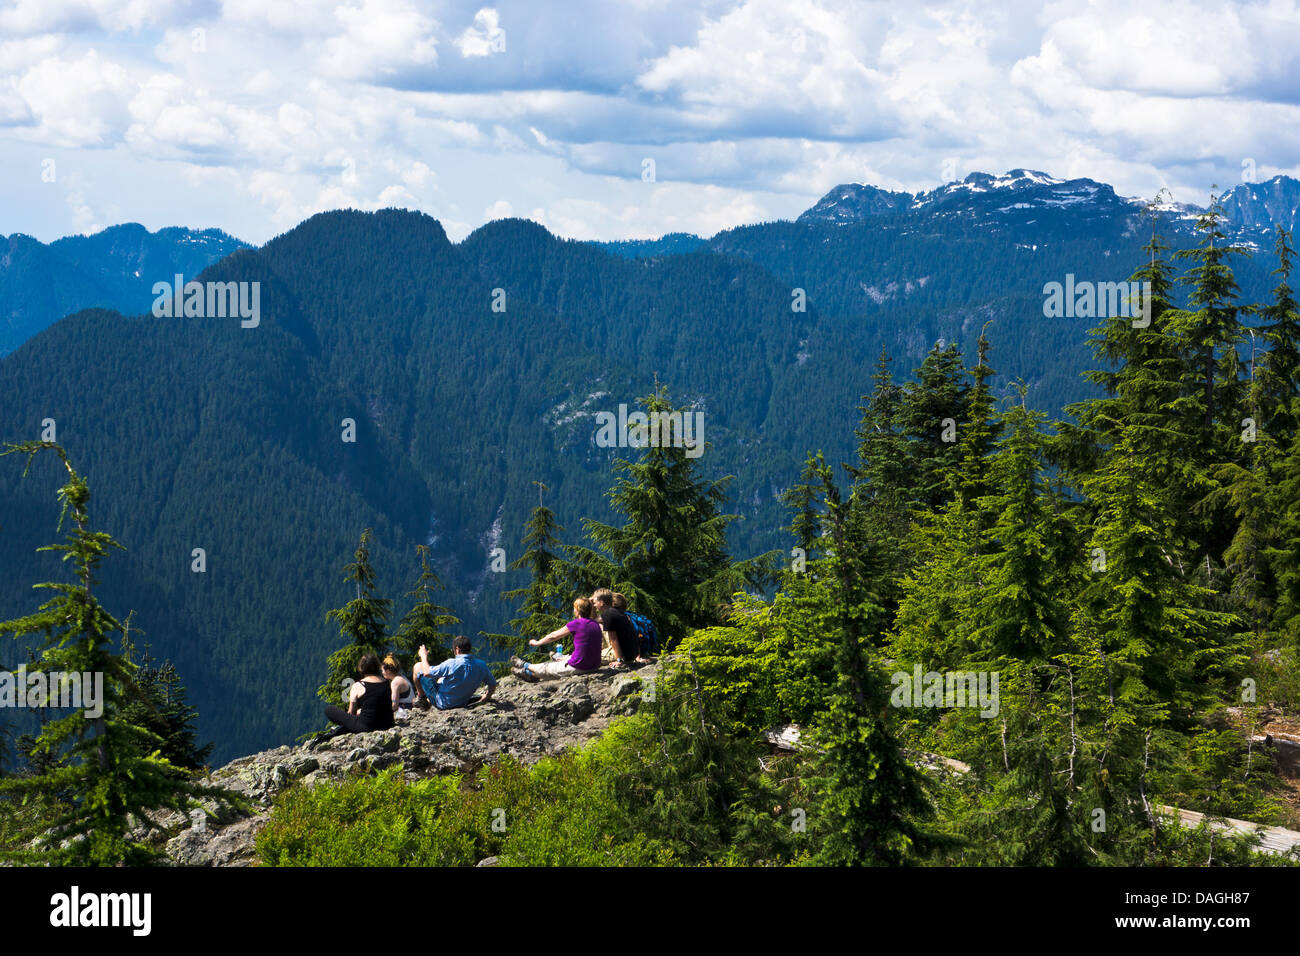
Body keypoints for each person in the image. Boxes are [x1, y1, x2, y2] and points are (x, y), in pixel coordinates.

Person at [510, 596, 602, 682]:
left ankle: (525, 665)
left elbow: (553, 636)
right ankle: (530, 675)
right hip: (595, 665)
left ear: (577, 610)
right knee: (562, 662)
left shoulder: (576, 623)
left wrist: (537, 643)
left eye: (574, 608)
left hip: (580, 666)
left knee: (547, 668)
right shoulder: (595, 624)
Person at [413, 635, 497, 709]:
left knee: (418, 666)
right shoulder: (481, 665)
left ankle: (421, 698)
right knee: (443, 677)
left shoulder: (451, 663)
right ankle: (427, 700)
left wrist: (423, 656)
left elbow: (426, 672)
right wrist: (486, 697)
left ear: (457, 649)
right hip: (462, 702)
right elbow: (492, 684)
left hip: (443, 703)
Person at [323, 653, 396, 734]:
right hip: (388, 724)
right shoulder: (386, 682)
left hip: (367, 727)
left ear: (362, 667)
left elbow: (351, 712)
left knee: (329, 710)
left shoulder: (358, 685)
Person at [592, 587, 638, 670]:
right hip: (631, 652)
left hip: (624, 655)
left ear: (601, 603)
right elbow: (593, 621)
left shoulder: (608, 615)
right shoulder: (615, 611)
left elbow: (613, 639)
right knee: (599, 625)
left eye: (595, 603)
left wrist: (618, 660)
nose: (594, 605)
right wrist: (592, 604)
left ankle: (616, 656)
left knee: (588, 656)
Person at [612, 592, 655, 663]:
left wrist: (637, 657)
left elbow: (634, 635)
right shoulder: (632, 616)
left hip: (631, 653)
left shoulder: (622, 618)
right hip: (643, 651)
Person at [381, 654, 417, 719]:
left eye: (382, 670)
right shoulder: (402, 677)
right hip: (410, 708)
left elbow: (394, 706)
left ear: (388, 671)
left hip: (404, 712)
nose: (382, 673)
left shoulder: (395, 682)